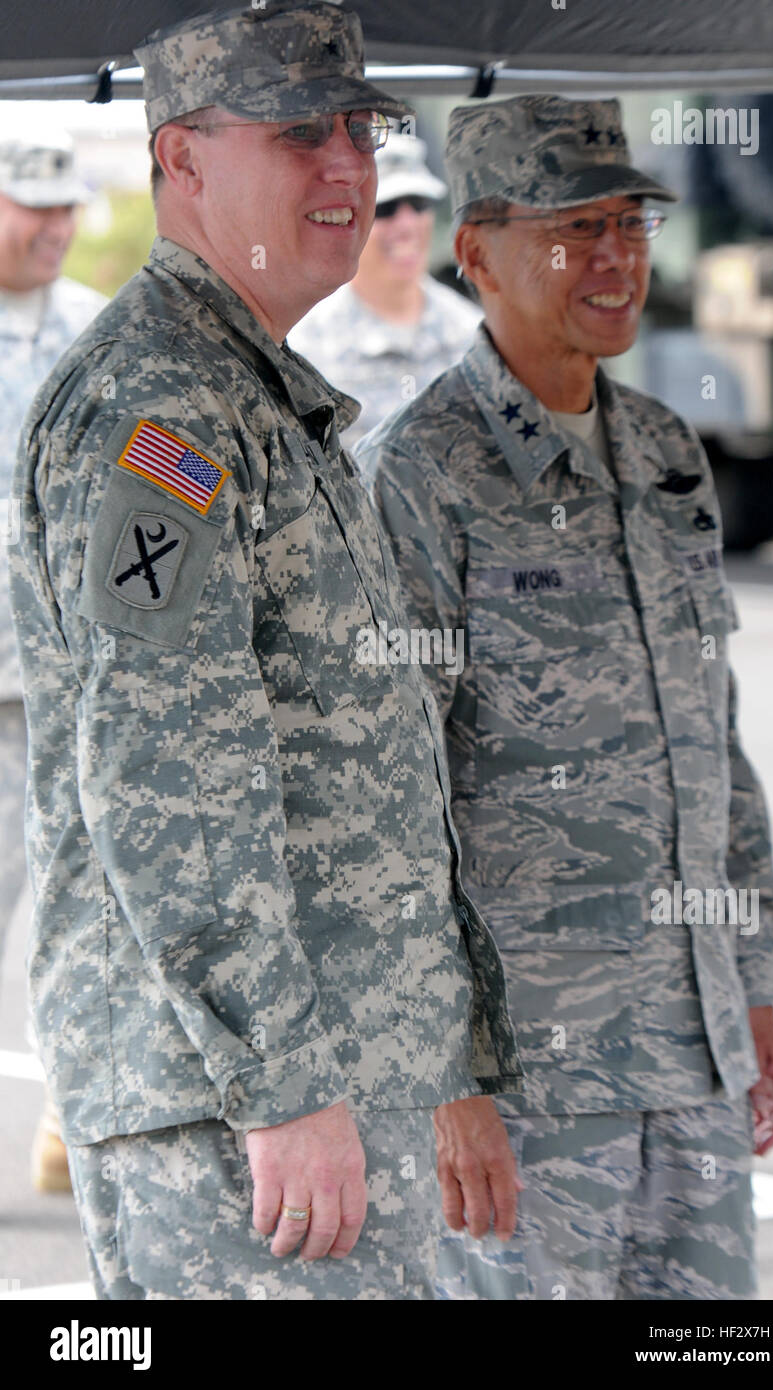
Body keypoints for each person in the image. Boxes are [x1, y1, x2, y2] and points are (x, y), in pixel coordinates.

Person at [9, 2, 524, 1301]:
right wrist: (281, 1082)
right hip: (237, 1107)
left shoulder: (260, 392)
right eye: (299, 133)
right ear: (181, 160)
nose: (348, 165)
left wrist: (447, 1056)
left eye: (361, 129)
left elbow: (362, 759)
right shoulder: (158, 405)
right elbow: (166, 772)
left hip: (346, 1076)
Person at [357, 93, 773, 1301]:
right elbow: (387, 796)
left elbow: (711, 737)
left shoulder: (665, 449)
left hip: (692, 1057)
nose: (612, 258)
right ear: (478, 253)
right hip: (529, 1084)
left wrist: (754, 988)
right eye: (570, 228)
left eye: (628, 223)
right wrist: (444, 1081)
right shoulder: (419, 473)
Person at [0, 125, 106, 1193]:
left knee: (87, 896)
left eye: (67, 208)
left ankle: (72, 1119)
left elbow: (157, 461)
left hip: (73, 674)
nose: (54, 227)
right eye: (33, 207)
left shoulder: (92, 332)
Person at [288, 131, 481, 445]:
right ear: (349, 217)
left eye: (419, 205)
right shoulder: (306, 347)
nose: (407, 227)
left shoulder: (472, 334)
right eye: (387, 209)